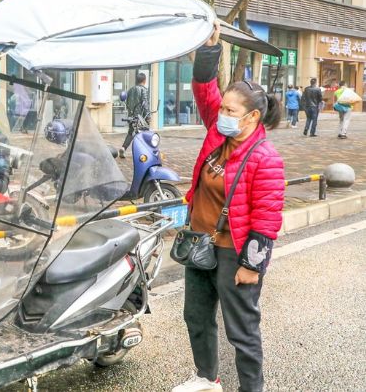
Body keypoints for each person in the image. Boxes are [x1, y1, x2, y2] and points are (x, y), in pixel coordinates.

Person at [173, 22, 285, 392]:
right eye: (223, 107)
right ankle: (207, 378)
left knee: (242, 332)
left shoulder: (265, 158)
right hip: (199, 244)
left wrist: (252, 266)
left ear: (252, 117)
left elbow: (267, 218)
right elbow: (204, 92)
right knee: (197, 318)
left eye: (231, 109)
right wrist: (209, 50)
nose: (222, 113)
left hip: (233, 253)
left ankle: (252, 389)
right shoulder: (217, 135)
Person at [119, 72, 150, 158]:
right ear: (144, 80)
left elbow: (127, 101)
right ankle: (144, 152)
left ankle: (123, 148)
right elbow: (145, 103)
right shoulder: (144, 90)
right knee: (145, 132)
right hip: (141, 117)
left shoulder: (131, 89)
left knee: (130, 133)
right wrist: (148, 116)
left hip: (131, 116)